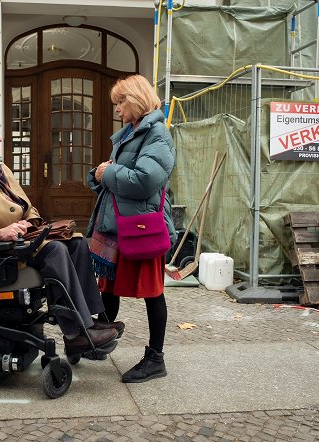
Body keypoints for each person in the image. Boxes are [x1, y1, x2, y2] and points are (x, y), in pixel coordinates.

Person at [0, 108, 124, 356]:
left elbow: (25, 205)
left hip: (17, 242)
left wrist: (32, 223)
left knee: (76, 243)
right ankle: (76, 333)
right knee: (54, 250)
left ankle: (90, 321)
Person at [86, 75, 176, 383]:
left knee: (153, 293)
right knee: (107, 285)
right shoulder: (133, 132)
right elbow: (120, 176)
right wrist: (97, 175)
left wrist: (109, 171)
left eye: (120, 102)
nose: (117, 110)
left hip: (141, 226)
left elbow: (143, 181)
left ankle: (156, 359)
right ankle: (99, 342)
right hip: (119, 224)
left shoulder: (158, 134)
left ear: (135, 99)